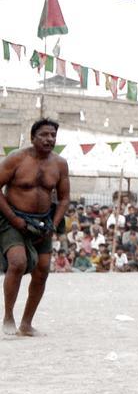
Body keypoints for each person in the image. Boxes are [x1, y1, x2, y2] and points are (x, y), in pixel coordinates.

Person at [0, 119, 70, 337]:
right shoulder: (16, 158)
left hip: (43, 222)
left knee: (42, 270)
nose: (49, 139)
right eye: (44, 135)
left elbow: (64, 198)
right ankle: (8, 316)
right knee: (18, 262)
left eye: (53, 135)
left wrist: (54, 223)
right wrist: (13, 218)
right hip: (13, 218)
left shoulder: (60, 164)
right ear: (33, 137)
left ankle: (26, 324)